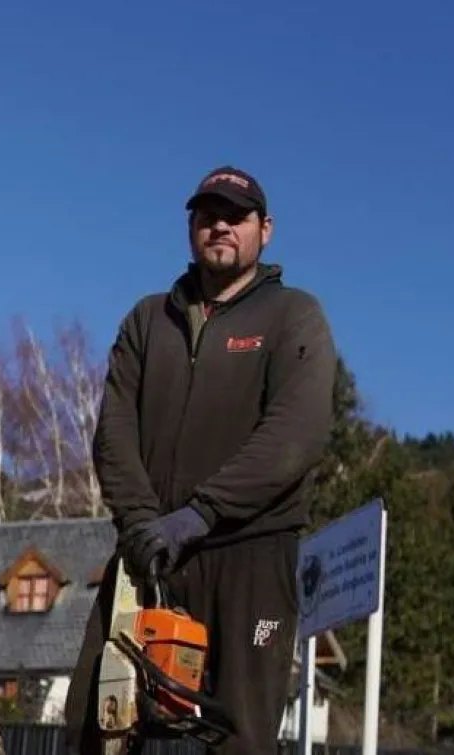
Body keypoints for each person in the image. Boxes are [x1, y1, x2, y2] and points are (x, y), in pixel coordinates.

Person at [64, 165, 337, 754]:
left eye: (236, 216)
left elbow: (296, 434)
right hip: (149, 554)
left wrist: (199, 515)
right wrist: (142, 525)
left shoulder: (295, 316)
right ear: (190, 226)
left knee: (240, 735)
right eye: (207, 214)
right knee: (98, 720)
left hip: (251, 556)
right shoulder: (147, 320)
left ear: (265, 230)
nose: (220, 225)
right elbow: (113, 431)